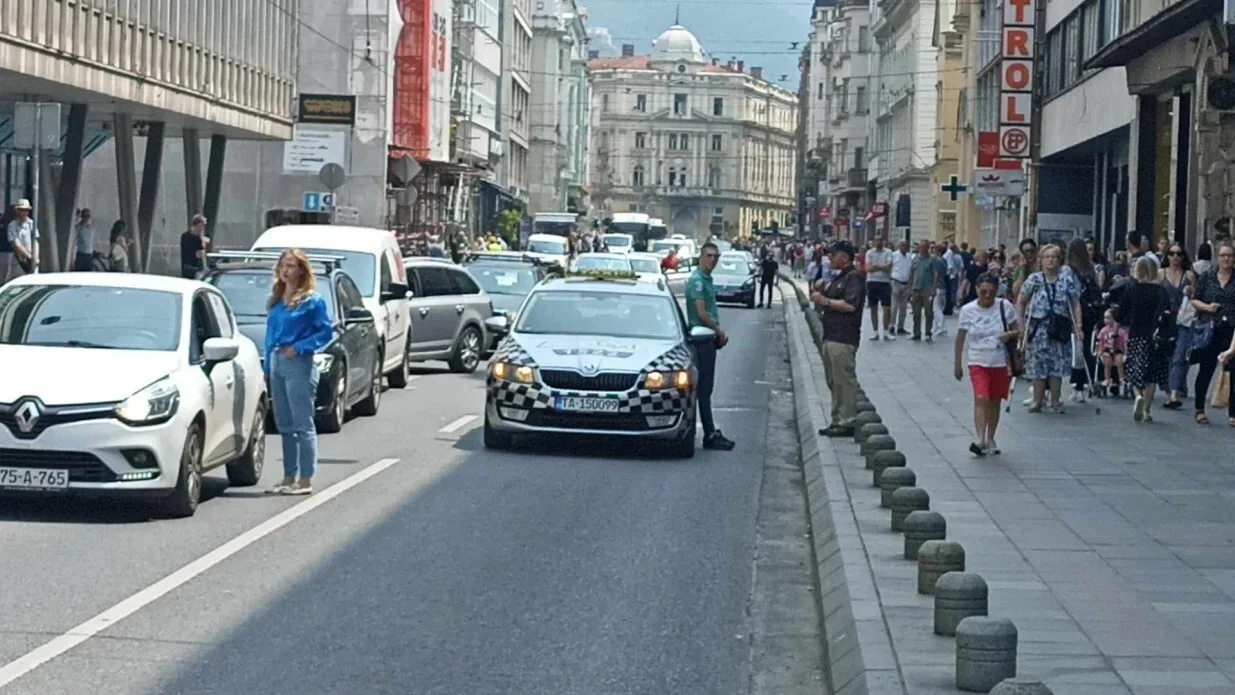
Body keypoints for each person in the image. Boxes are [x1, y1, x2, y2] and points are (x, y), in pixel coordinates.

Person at [264, 249, 335, 495]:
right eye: (283, 265)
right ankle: (288, 476)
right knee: (284, 424)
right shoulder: (276, 297)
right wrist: (267, 367)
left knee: (302, 423)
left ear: (301, 270)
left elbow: (325, 333)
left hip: (299, 363)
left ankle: (305, 480)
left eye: (291, 266)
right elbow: (269, 334)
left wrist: (301, 347)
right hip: (277, 360)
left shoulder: (312, 301)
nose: (286, 270)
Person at [953, 273, 1019, 456]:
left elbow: (1018, 330)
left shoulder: (1005, 307)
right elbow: (960, 338)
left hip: (1000, 361)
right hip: (977, 360)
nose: (987, 296)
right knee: (981, 398)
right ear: (976, 290)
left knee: (995, 400)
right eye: (983, 292)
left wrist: (1010, 335)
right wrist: (957, 362)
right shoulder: (968, 310)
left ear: (997, 291)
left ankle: (991, 437)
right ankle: (980, 438)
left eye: (991, 292)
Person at [1016, 244, 1083, 413]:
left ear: (1060, 259)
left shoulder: (1066, 279)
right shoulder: (1034, 280)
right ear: (1041, 260)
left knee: (1057, 365)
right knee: (1037, 365)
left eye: (1055, 256)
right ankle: (1037, 400)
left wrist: (1078, 325)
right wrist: (1021, 325)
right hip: (1038, 328)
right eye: (1047, 257)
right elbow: (1021, 301)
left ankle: (1055, 400)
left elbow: (1075, 303)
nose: (1051, 260)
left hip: (1059, 328)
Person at [811, 241, 865, 437]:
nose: (830, 258)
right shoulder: (838, 277)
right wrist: (820, 291)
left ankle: (847, 420)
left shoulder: (854, 278)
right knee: (833, 380)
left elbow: (850, 305)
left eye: (833, 255)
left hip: (843, 336)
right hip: (830, 334)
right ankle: (837, 419)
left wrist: (825, 301)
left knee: (844, 380)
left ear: (845, 257)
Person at [685, 242, 736, 451]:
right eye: (709, 256)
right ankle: (709, 433)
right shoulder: (697, 281)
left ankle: (708, 431)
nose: (712, 260)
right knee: (704, 389)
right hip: (703, 338)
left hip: (706, 338)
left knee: (705, 389)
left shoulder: (706, 279)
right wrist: (718, 331)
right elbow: (701, 312)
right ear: (701, 256)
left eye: (716, 257)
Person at [1115, 257, 1173, 423]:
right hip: (1155, 337)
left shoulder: (1131, 289)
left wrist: (1116, 329)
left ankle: (1137, 395)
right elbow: (1168, 313)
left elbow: (1120, 314)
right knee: (1151, 375)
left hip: (1136, 334)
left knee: (1134, 369)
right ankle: (1147, 410)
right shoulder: (1161, 291)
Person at [1191, 240, 1235, 426]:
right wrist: (1208, 308)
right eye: (1223, 255)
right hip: (1210, 328)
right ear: (1217, 257)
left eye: (1230, 255)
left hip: (1232, 330)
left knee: (1233, 372)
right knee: (1206, 369)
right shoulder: (1207, 276)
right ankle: (1199, 409)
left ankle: (1233, 413)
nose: (1226, 258)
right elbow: (1195, 300)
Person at [1159, 243, 1196, 409]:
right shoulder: (1161, 274)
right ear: (1167, 256)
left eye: (1179, 254)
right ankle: (1170, 388)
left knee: (1180, 355)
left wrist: (1191, 291)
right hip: (1165, 319)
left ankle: (1174, 392)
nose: (1175, 257)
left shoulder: (1188, 275)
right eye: (1172, 254)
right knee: (1166, 354)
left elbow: (1197, 296)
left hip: (1184, 319)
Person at [1067, 238, 1102, 402]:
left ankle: (1076, 383)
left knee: (1075, 349)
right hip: (1088, 313)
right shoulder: (1090, 269)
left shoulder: (1069, 270)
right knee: (1084, 347)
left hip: (1071, 312)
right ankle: (1081, 384)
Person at [864, 236, 895, 340]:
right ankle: (875, 331)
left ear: (883, 241)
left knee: (886, 308)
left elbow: (889, 267)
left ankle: (886, 332)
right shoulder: (869, 252)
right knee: (873, 308)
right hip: (872, 282)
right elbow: (868, 268)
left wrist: (876, 266)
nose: (878, 242)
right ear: (873, 242)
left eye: (880, 240)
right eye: (876, 240)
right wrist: (882, 266)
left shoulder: (888, 252)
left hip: (885, 282)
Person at [910, 240, 940, 341]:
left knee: (928, 312)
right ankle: (916, 333)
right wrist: (910, 288)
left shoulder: (932, 260)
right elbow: (911, 272)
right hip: (916, 288)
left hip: (927, 289)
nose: (923, 249)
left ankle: (928, 332)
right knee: (916, 313)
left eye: (925, 247)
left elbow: (936, 274)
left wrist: (934, 288)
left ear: (928, 248)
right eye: (921, 247)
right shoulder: (915, 259)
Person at [1097, 309, 1128, 393]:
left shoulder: (1121, 331)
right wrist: (1100, 350)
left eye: (1108, 318)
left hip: (1118, 349)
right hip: (1107, 349)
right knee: (1107, 364)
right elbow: (1101, 341)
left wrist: (1126, 351)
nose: (1106, 320)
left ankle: (1121, 377)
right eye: (1105, 318)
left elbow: (1125, 341)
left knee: (1119, 362)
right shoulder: (1103, 330)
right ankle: (1107, 379)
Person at [7, 198, 38, 275]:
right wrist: (29, 257)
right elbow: (15, 243)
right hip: (19, 260)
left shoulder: (31, 223)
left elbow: (36, 241)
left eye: (26, 210)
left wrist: (35, 257)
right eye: (22, 210)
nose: (24, 212)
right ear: (17, 211)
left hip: (32, 261)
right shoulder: (12, 225)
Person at [890, 238, 914, 335]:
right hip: (896, 282)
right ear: (899, 246)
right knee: (894, 306)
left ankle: (901, 327)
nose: (905, 247)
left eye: (906, 245)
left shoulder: (909, 256)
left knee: (903, 307)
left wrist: (910, 284)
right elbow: (890, 267)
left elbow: (911, 270)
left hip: (906, 283)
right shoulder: (894, 255)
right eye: (903, 245)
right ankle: (891, 325)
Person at [180, 214, 209, 279]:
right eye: (203, 225)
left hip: (185, 267)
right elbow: (200, 255)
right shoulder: (198, 239)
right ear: (200, 225)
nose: (204, 228)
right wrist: (203, 241)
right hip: (195, 269)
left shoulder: (184, 236)